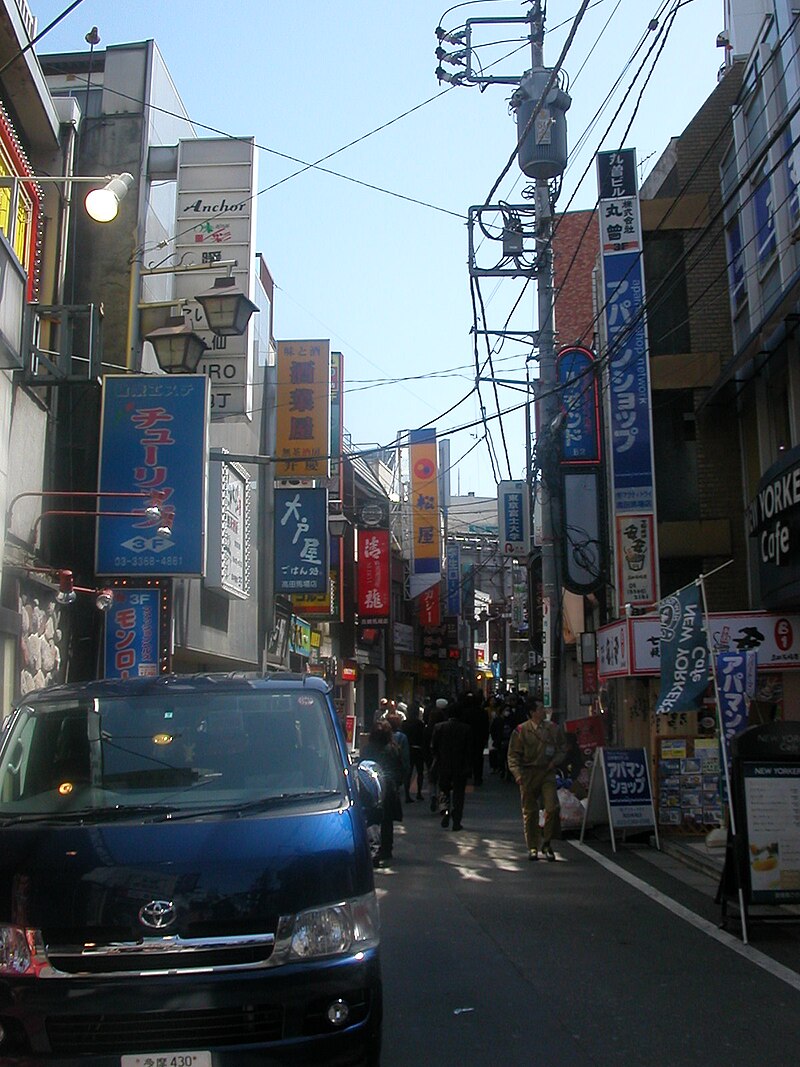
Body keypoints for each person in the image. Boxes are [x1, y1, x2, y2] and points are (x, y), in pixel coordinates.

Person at [507, 699, 567, 861]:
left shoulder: (553, 728)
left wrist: (555, 761)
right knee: (530, 812)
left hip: (547, 772)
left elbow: (563, 748)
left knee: (552, 807)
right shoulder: (521, 731)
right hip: (528, 774)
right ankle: (532, 846)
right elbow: (513, 755)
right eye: (540, 709)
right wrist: (517, 774)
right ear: (532, 712)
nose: (544, 711)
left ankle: (547, 842)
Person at [360, 719, 404, 867]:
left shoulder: (367, 749)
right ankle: (387, 848)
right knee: (387, 819)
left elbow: (362, 766)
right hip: (388, 787)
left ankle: (374, 849)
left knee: (372, 819)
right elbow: (399, 767)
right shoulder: (392, 748)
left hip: (370, 787)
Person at [431, 699, 472, 831]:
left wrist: (438, 757)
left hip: (443, 764)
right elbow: (469, 749)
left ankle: (445, 810)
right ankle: (456, 820)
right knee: (459, 794)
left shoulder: (439, 727)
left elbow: (434, 746)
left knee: (444, 789)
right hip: (460, 766)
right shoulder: (466, 729)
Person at [424, 697, 449, 811]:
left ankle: (433, 796)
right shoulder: (444, 727)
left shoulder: (427, 729)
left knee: (432, 778)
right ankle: (442, 802)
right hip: (442, 756)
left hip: (430, 756)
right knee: (443, 780)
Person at [401, 703, 425, 801]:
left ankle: (407, 794)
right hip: (418, 749)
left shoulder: (404, 723)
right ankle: (419, 792)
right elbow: (423, 737)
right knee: (420, 772)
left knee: (408, 772)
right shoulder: (420, 723)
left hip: (408, 749)